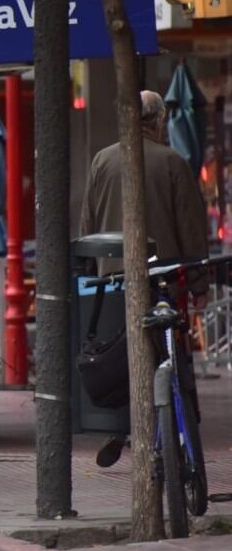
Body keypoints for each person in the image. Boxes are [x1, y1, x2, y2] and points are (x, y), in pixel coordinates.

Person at [80, 89, 209, 467]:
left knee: (121, 353)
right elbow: (190, 228)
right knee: (169, 351)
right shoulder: (173, 161)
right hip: (164, 278)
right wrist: (199, 282)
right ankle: (178, 426)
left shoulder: (101, 160)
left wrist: (94, 274)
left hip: (111, 277)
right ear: (158, 121)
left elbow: (87, 224)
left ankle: (123, 424)